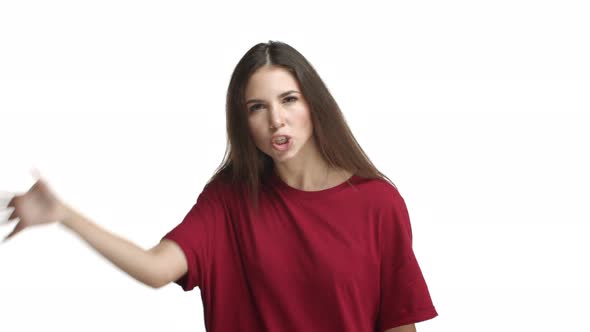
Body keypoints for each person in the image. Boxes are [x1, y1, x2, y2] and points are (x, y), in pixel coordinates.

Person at [1, 41, 438, 332]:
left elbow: (400, 322)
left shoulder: (377, 203)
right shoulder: (229, 201)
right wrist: (65, 216)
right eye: (257, 107)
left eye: (288, 99)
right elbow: (156, 268)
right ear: (243, 121)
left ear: (313, 103)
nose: (276, 120)